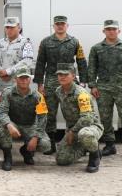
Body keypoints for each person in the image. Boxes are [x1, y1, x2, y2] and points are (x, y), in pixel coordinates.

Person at [88, 19, 122, 162]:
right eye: (108, 29)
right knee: (105, 119)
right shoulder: (96, 48)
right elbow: (92, 68)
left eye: (114, 29)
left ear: (119, 30)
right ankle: (110, 145)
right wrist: (93, 85)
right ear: (103, 31)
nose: (111, 31)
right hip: (103, 89)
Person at [33, 15, 89, 154]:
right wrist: (40, 83)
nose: (60, 26)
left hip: (69, 81)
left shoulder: (74, 42)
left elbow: (81, 61)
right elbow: (40, 63)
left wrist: (83, 81)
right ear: (54, 26)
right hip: (51, 80)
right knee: (49, 113)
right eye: (57, 24)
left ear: (67, 26)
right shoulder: (46, 42)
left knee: (73, 112)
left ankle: (75, 141)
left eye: (62, 24)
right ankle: (50, 143)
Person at [0, 66, 51, 171]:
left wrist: (35, 137)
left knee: (45, 145)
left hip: (30, 125)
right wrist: (9, 125)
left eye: (26, 78)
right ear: (15, 79)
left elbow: (42, 118)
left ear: (30, 80)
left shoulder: (37, 96)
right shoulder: (8, 93)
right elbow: (1, 112)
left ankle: (26, 151)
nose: (24, 80)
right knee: (3, 129)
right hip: (13, 124)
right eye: (21, 78)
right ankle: (7, 157)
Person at [53, 64, 103, 173]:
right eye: (60, 74)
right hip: (73, 128)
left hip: (90, 126)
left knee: (85, 135)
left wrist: (72, 131)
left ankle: (95, 155)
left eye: (66, 74)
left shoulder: (81, 93)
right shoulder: (58, 91)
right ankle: (85, 147)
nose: (62, 77)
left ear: (73, 76)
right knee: (62, 159)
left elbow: (87, 118)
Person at [0, 17, 34, 96]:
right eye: (7, 27)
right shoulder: (1, 42)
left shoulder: (25, 43)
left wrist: (8, 72)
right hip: (3, 83)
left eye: (12, 27)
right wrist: (0, 71)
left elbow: (27, 61)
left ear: (18, 27)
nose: (9, 30)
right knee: (3, 106)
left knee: (19, 106)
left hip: (19, 83)